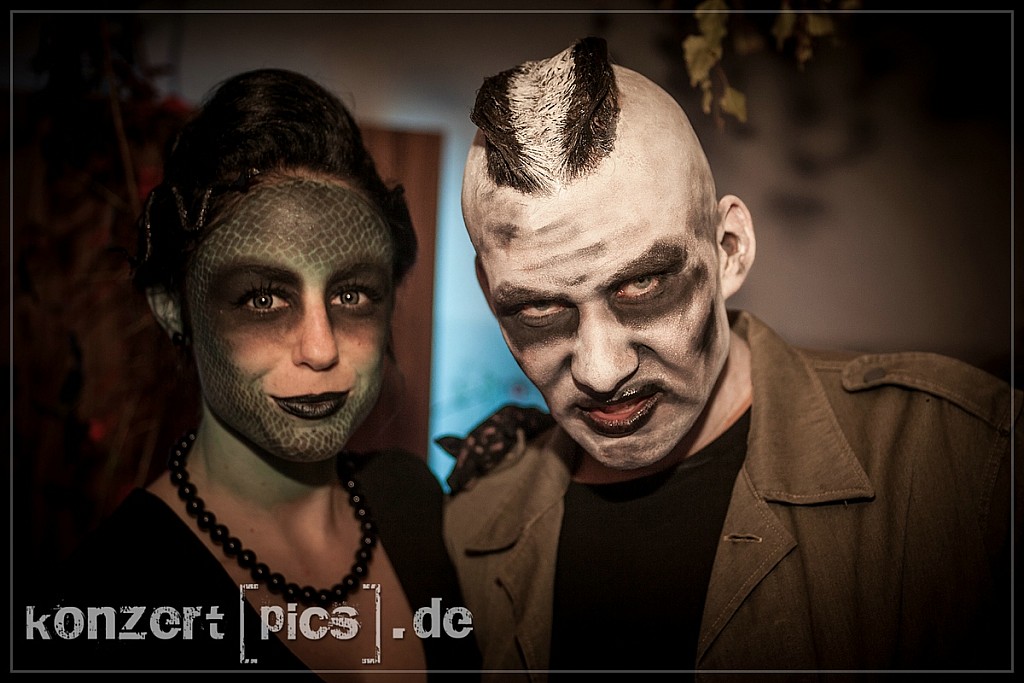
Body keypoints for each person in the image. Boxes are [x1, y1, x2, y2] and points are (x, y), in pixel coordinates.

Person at [443, 37, 1018, 677]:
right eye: (537, 311)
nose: (600, 371)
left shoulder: (965, 467)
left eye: (643, 286)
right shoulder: (471, 533)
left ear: (729, 250)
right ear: (489, 293)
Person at [18, 67, 481, 678]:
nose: (321, 348)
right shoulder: (107, 603)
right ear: (173, 307)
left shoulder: (412, 500)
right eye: (264, 299)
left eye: (352, 296)